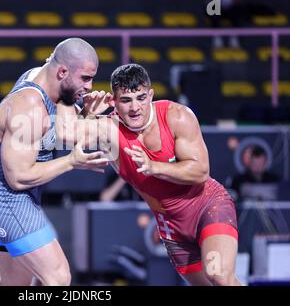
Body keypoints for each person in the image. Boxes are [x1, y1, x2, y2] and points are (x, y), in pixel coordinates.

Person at [57, 63, 242, 286]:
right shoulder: (109, 128)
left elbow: (200, 171)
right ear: (114, 102)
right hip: (171, 223)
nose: (135, 107)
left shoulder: (177, 116)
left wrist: (154, 167)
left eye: (141, 98)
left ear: (151, 95)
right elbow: (66, 136)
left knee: (219, 275)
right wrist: (82, 109)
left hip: (207, 206)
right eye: (126, 100)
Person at [0, 38, 109, 286]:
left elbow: (66, 133)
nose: (90, 86)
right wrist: (71, 162)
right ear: (62, 71)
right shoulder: (28, 107)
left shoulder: (47, 79)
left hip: (6, 198)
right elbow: (18, 178)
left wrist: (88, 114)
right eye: (85, 78)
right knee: (58, 277)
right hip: (9, 201)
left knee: (15, 284)